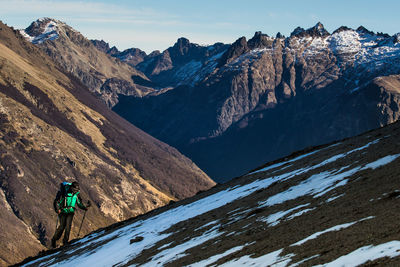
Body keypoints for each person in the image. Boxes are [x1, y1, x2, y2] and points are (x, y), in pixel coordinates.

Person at [51, 181, 90, 248]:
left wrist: (84, 208)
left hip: (70, 211)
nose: (75, 191)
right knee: (62, 226)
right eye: (75, 190)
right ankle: (54, 239)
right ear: (72, 188)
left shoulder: (77, 194)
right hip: (63, 211)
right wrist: (58, 209)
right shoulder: (64, 191)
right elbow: (57, 201)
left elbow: (79, 203)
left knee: (68, 226)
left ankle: (65, 241)